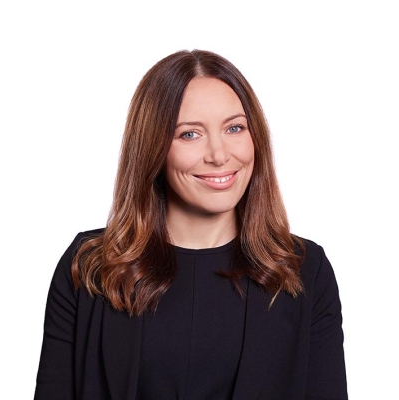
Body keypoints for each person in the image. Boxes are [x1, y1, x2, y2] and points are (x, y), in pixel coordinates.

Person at [34, 50, 348, 400]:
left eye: (234, 128)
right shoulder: (90, 267)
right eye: (190, 134)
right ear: (153, 148)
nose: (219, 154)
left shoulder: (304, 270)